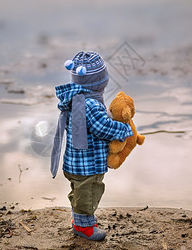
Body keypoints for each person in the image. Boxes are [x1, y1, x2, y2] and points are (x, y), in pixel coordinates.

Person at [51, 51, 133, 241]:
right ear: (101, 81)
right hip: (87, 164)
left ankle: (81, 219)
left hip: (74, 161)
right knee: (88, 193)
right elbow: (102, 128)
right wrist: (124, 129)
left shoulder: (75, 98)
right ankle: (83, 227)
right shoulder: (91, 105)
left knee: (80, 192)